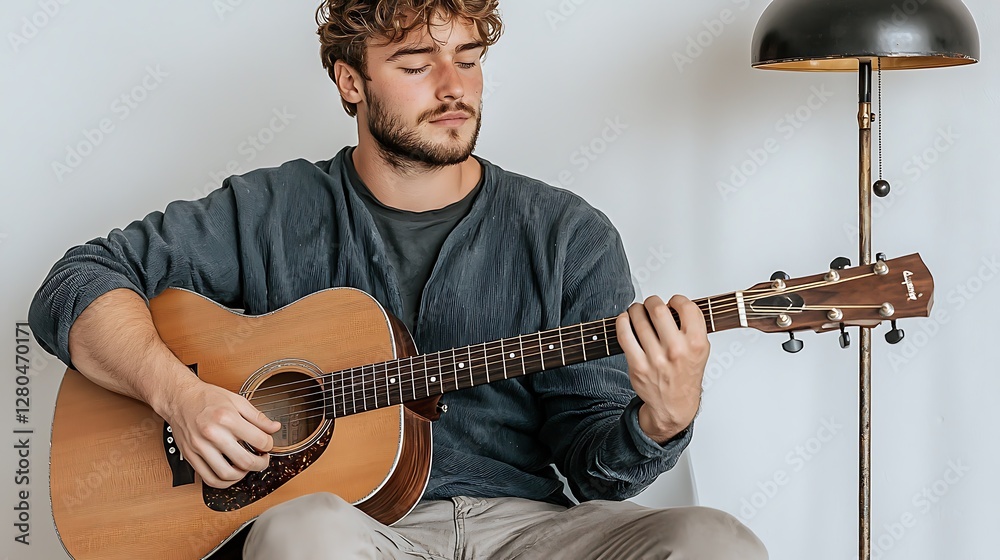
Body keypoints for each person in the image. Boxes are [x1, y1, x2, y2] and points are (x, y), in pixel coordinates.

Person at [29, 1, 768, 558]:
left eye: (470, 59)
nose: (453, 87)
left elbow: (594, 468)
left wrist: (659, 422)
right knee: (302, 532)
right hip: (350, 531)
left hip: (529, 529)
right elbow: (76, 283)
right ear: (351, 81)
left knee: (716, 541)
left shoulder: (567, 233)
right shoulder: (269, 210)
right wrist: (179, 395)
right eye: (417, 64)